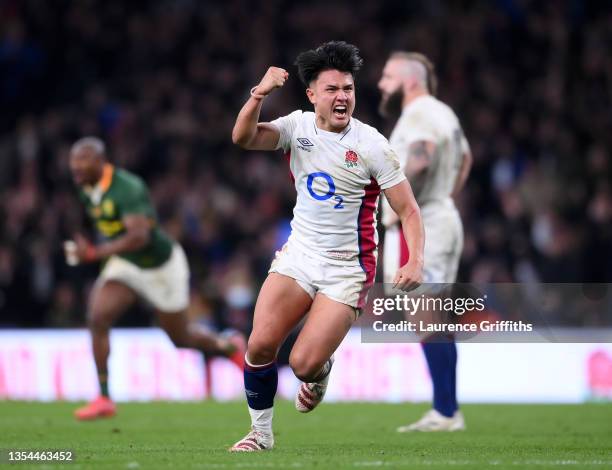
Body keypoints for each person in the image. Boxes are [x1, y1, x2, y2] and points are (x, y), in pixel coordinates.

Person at [229, 41, 425, 452]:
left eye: (348, 89)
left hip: (346, 269)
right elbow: (243, 137)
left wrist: (415, 261)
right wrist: (259, 94)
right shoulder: (296, 127)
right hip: (299, 255)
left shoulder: (373, 145)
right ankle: (260, 435)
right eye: (332, 89)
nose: (342, 97)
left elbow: (408, 210)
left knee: (301, 364)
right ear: (312, 95)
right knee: (260, 344)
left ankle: (320, 371)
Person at [66, 137, 245, 421]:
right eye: (73, 160)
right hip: (126, 265)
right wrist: (85, 245)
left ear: (101, 161)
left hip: (161, 266)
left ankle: (229, 346)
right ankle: (103, 397)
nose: (75, 166)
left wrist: (95, 252)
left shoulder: (128, 187)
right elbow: (110, 227)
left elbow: (140, 236)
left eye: (82, 160)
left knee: (181, 338)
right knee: (97, 317)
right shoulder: (86, 188)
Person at [378, 52, 473, 432]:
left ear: (410, 81)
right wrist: (444, 196)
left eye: (388, 76)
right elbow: (465, 159)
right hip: (439, 214)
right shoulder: (444, 113)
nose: (382, 83)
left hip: (423, 223)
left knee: (425, 314)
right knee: (433, 317)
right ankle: (447, 409)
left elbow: (419, 160)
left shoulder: (419, 114)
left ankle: (446, 412)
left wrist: (409, 207)